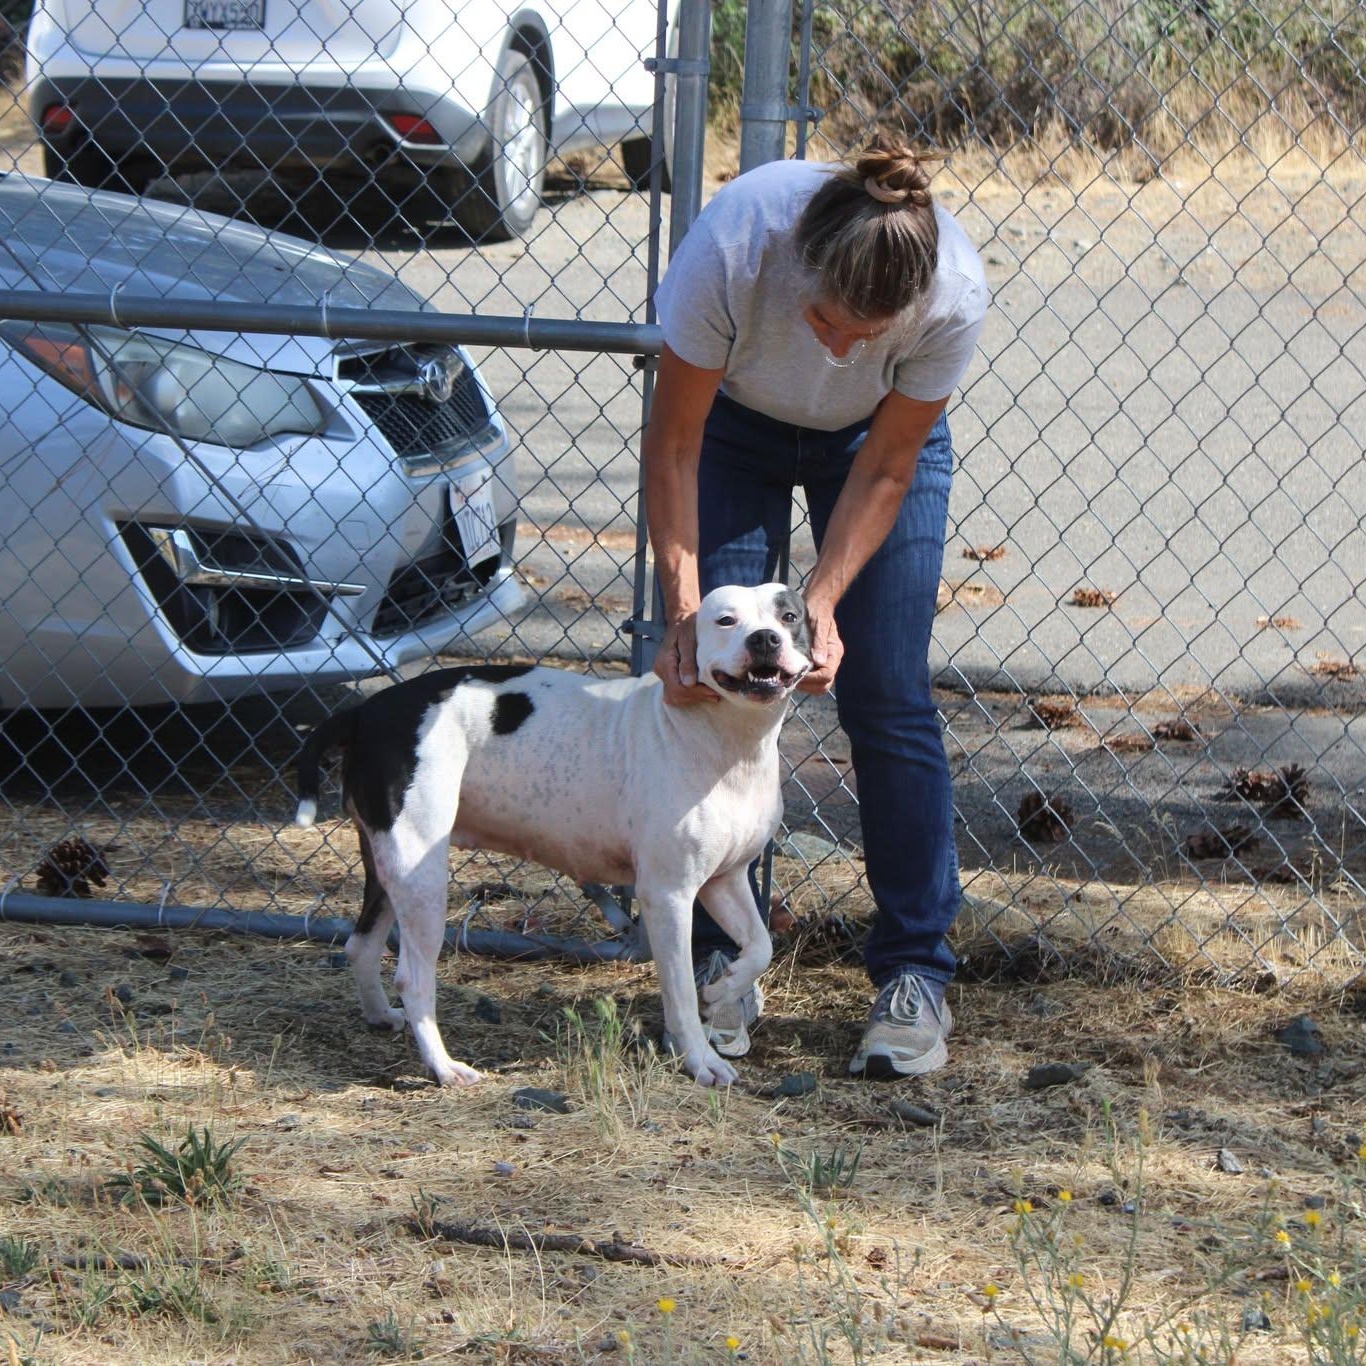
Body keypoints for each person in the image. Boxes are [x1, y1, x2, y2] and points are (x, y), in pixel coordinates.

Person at [643, 134, 988, 1078]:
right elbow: (673, 446)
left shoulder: (954, 292)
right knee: (707, 686)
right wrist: (685, 614)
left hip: (870, 450)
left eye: (864, 338)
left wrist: (822, 601)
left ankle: (914, 972)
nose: (838, 349)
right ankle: (720, 967)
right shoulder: (738, 243)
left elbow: (889, 465)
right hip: (729, 431)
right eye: (826, 322)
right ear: (804, 264)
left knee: (885, 689)